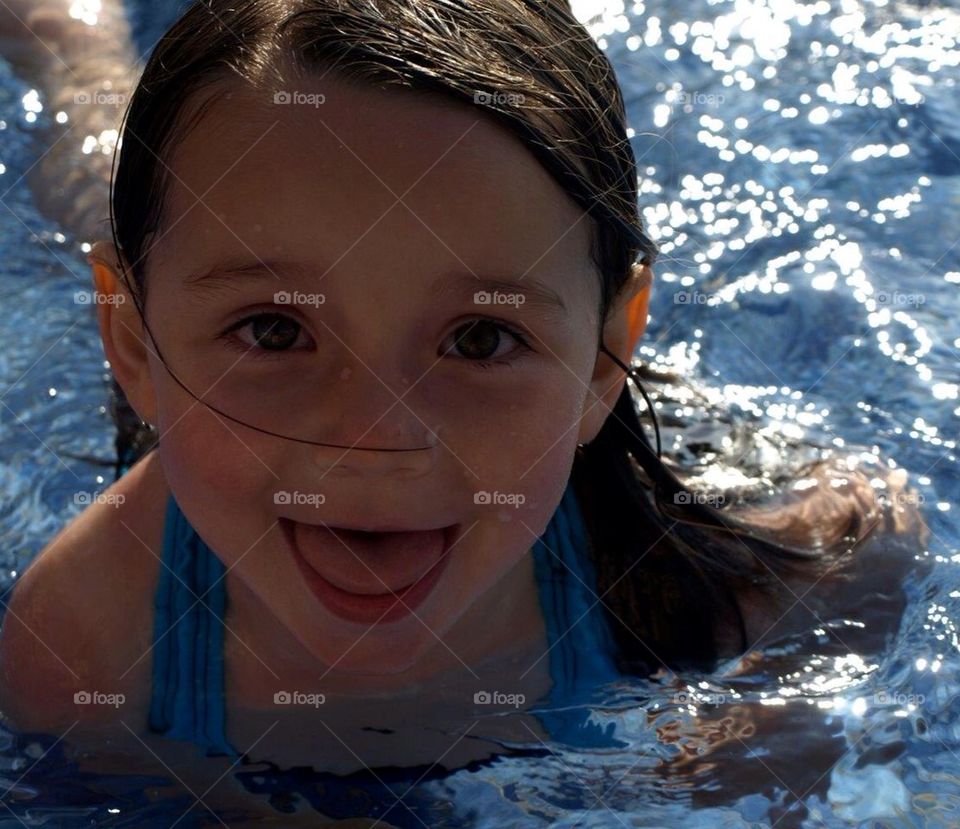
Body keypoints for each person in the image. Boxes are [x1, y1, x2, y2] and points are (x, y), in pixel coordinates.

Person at [0, 0, 928, 784]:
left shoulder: (705, 569)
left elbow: (875, 528)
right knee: (100, 171)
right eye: (275, 330)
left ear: (608, 360)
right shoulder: (86, 648)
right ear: (127, 345)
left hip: (611, 455)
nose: (377, 435)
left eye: (478, 338)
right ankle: (68, 43)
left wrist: (775, 737)